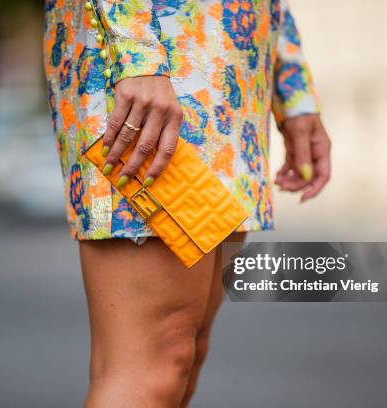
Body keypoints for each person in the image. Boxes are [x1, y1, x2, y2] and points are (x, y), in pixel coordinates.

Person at [44, 0, 331, 406]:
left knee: (184, 357)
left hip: (232, 73)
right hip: (150, 74)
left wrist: (293, 89)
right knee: (152, 365)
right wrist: (136, 52)